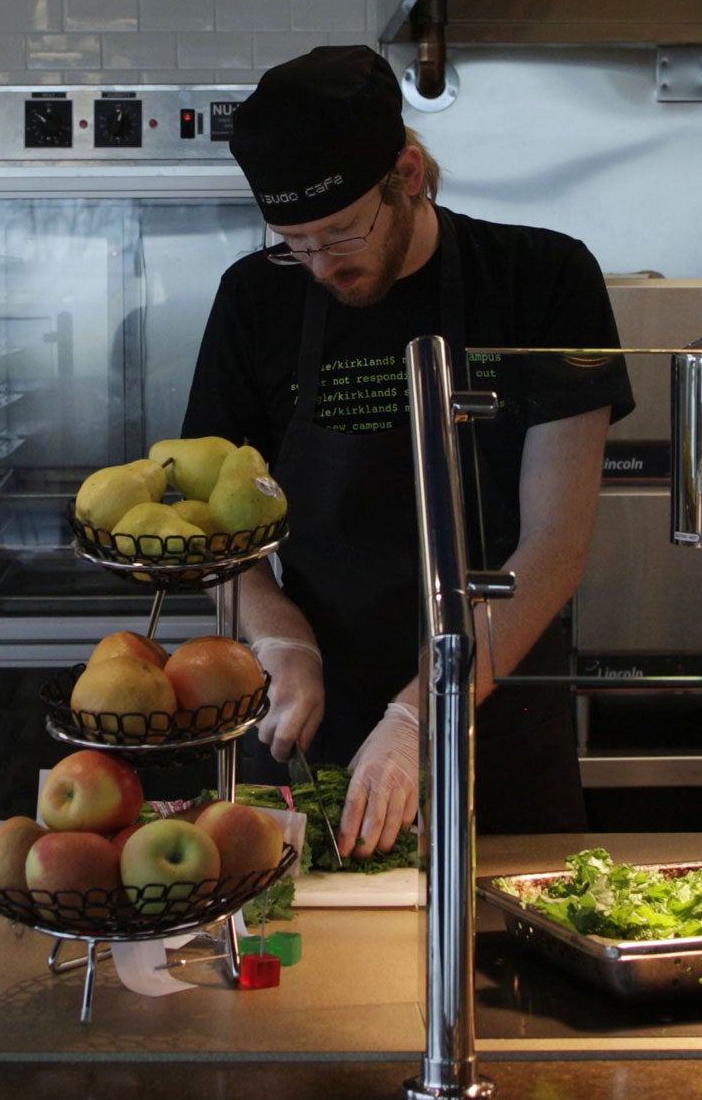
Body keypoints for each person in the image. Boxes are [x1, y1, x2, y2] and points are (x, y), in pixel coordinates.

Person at [182, 45, 634, 859]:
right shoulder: (255, 298)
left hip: (499, 716)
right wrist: (279, 638)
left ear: (410, 174)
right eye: (294, 242)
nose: (321, 266)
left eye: (341, 233)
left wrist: (422, 713)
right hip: (313, 720)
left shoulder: (543, 279)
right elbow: (210, 525)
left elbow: (556, 547)